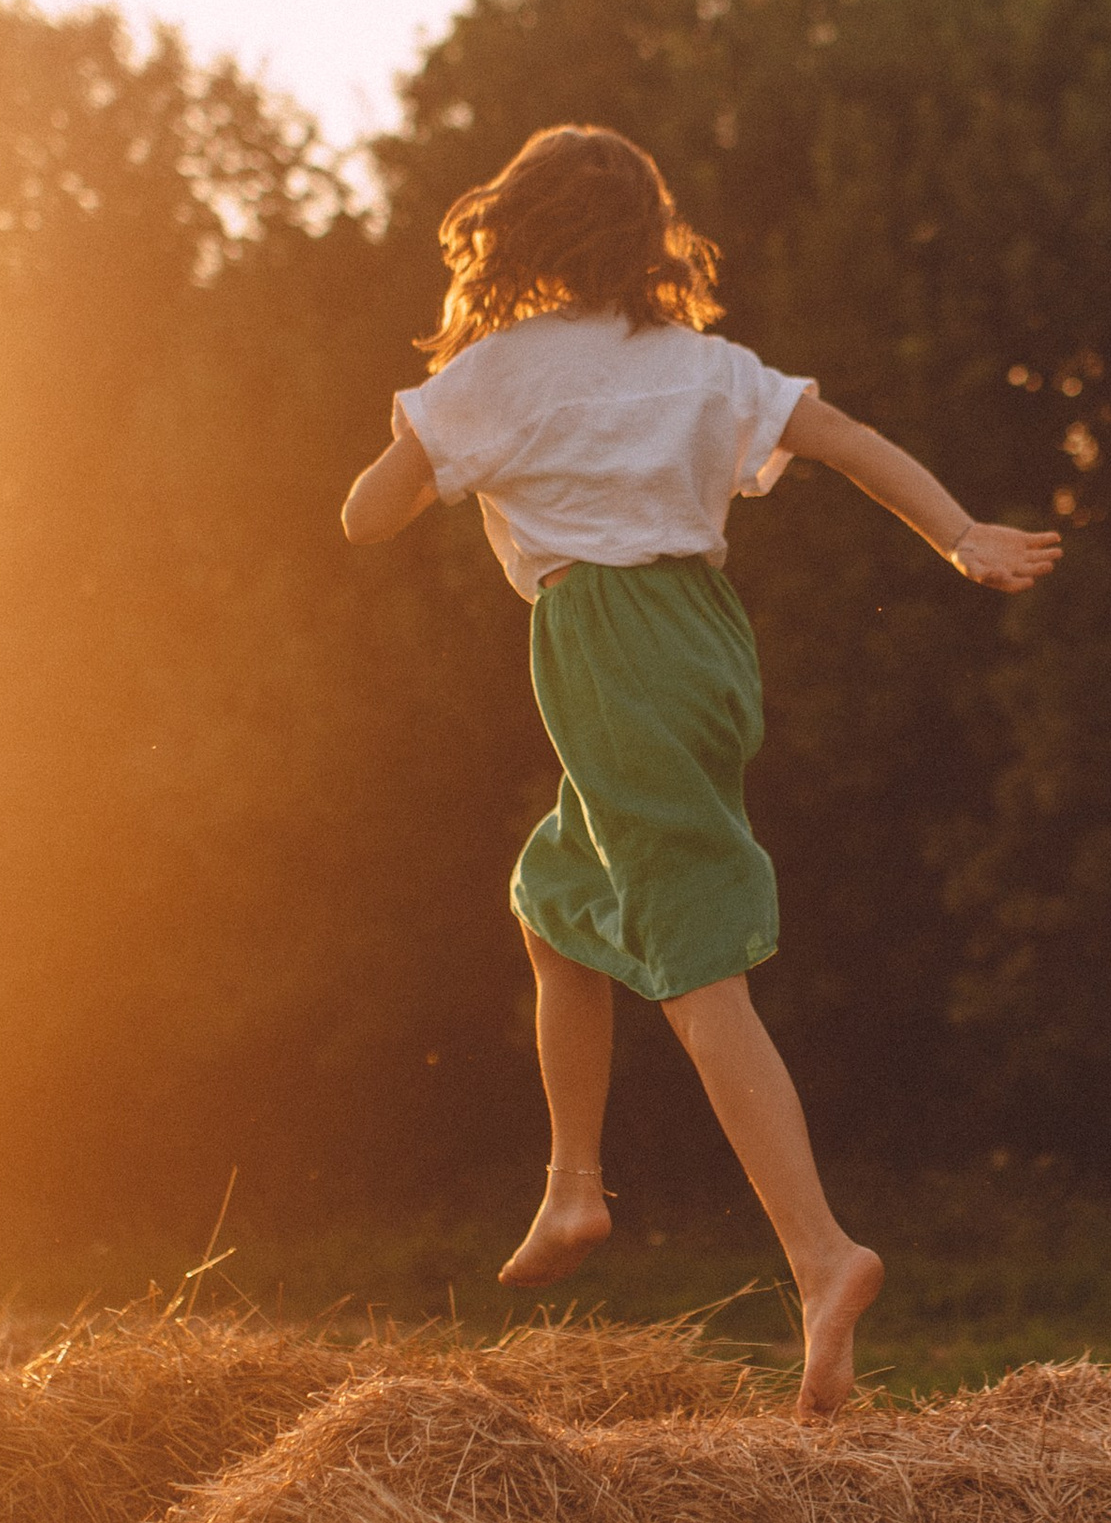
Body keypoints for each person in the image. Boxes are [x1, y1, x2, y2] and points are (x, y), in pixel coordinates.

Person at [340, 122, 1060, 1417]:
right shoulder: (702, 365)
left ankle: (821, 1255)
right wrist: (959, 537)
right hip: (708, 654)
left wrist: (434, 422)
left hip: (607, 654)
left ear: (518, 233)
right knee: (555, 900)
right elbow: (839, 437)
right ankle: (572, 1188)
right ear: (646, 243)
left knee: (693, 970)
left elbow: (364, 515)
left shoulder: (500, 370)